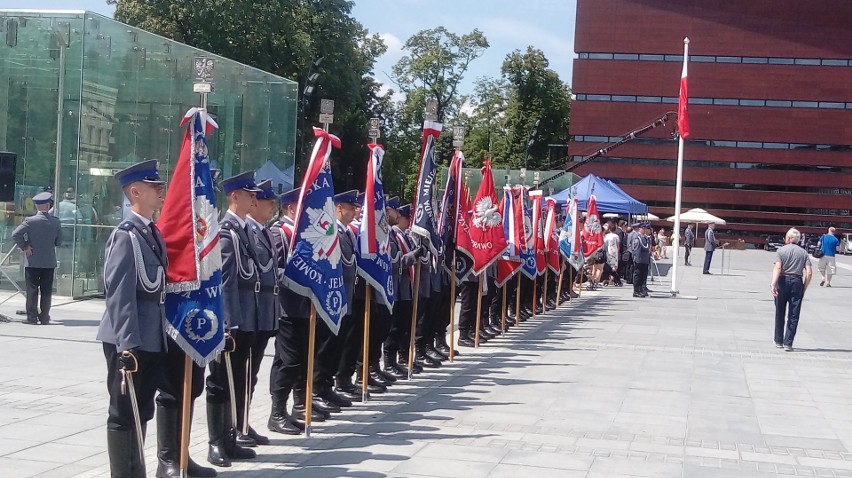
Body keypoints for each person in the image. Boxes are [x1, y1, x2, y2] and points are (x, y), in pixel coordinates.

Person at [96, 160, 168, 477]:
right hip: (130, 338)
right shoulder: (126, 236)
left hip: (151, 335)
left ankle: (135, 470)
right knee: (124, 411)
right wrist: (127, 344)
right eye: (154, 187)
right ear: (135, 191)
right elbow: (119, 293)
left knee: (143, 408)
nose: (160, 191)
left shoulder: (151, 232)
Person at [206, 171, 260, 467]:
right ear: (233, 197)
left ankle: (230, 437)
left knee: (237, 379)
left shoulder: (245, 230)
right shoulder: (225, 231)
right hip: (230, 322)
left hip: (247, 318)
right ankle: (216, 442)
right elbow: (225, 282)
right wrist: (228, 325)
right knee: (219, 381)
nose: (254, 198)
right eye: (248, 194)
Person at [12, 192, 61, 325]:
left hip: (32, 260)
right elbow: (59, 242)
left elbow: (15, 234)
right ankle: (44, 317)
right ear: (48, 205)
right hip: (49, 261)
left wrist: (25, 246)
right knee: (46, 290)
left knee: (32, 289)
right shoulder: (56, 222)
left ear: (36, 206)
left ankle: (32, 317)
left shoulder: (30, 221)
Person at [770, 228, 812, 351]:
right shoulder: (803, 253)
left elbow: (778, 268)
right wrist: (804, 287)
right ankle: (788, 342)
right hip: (797, 281)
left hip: (782, 281)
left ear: (788, 238)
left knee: (780, 312)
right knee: (794, 314)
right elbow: (809, 273)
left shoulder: (781, 250)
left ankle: (778, 340)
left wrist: (773, 283)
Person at [628, 222, 652, 297]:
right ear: (640, 229)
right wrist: (636, 259)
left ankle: (641, 289)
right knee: (638, 275)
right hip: (639, 259)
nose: (645, 230)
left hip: (644, 259)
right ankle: (636, 291)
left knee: (642, 275)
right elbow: (636, 249)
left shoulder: (644, 237)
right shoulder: (637, 237)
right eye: (643, 228)